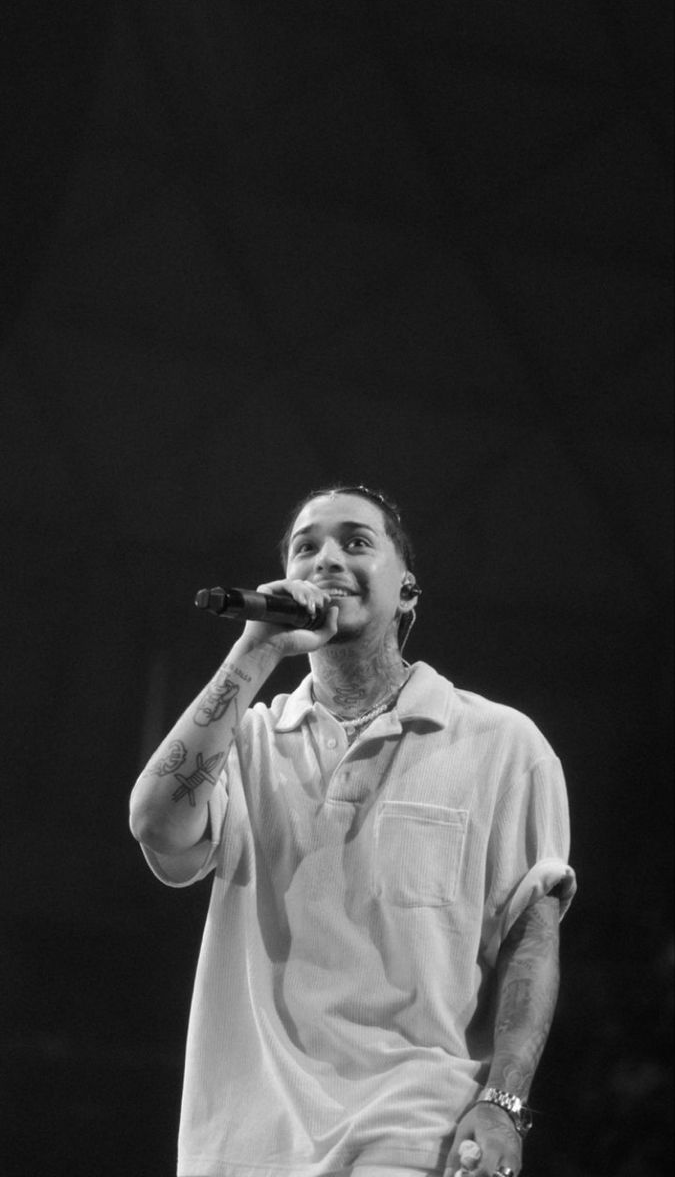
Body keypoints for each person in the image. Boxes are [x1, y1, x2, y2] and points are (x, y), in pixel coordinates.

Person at [129, 484, 576, 1177]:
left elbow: (531, 938)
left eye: (355, 542)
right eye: (305, 547)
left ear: (407, 592)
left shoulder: (502, 744)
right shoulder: (244, 743)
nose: (326, 560)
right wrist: (255, 651)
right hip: (242, 1149)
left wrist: (503, 1102)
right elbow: (155, 824)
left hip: (412, 1141)